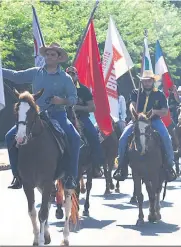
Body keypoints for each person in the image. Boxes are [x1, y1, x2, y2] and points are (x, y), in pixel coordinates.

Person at [3, 43, 80, 190]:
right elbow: (16, 76)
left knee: (75, 138)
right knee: (9, 137)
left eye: (52, 55)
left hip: (58, 115)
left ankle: (71, 175)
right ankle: (17, 176)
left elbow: (73, 99)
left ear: (58, 58)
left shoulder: (65, 78)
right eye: (47, 54)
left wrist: (61, 100)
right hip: (36, 115)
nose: (49, 57)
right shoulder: (36, 72)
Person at [113, 70, 177, 182]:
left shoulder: (159, 94)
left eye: (149, 81)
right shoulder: (135, 93)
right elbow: (131, 106)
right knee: (123, 138)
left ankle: (170, 164)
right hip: (137, 120)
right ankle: (121, 165)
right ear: (141, 82)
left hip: (154, 120)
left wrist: (155, 112)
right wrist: (135, 114)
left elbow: (165, 111)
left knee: (166, 137)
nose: (147, 83)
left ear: (153, 81)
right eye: (144, 81)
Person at [66, 66, 105, 177]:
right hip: (64, 116)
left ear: (77, 76)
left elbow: (92, 108)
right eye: (68, 74)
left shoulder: (83, 89)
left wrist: (77, 108)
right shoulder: (61, 88)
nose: (71, 76)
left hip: (81, 117)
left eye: (73, 74)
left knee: (92, 133)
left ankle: (96, 164)